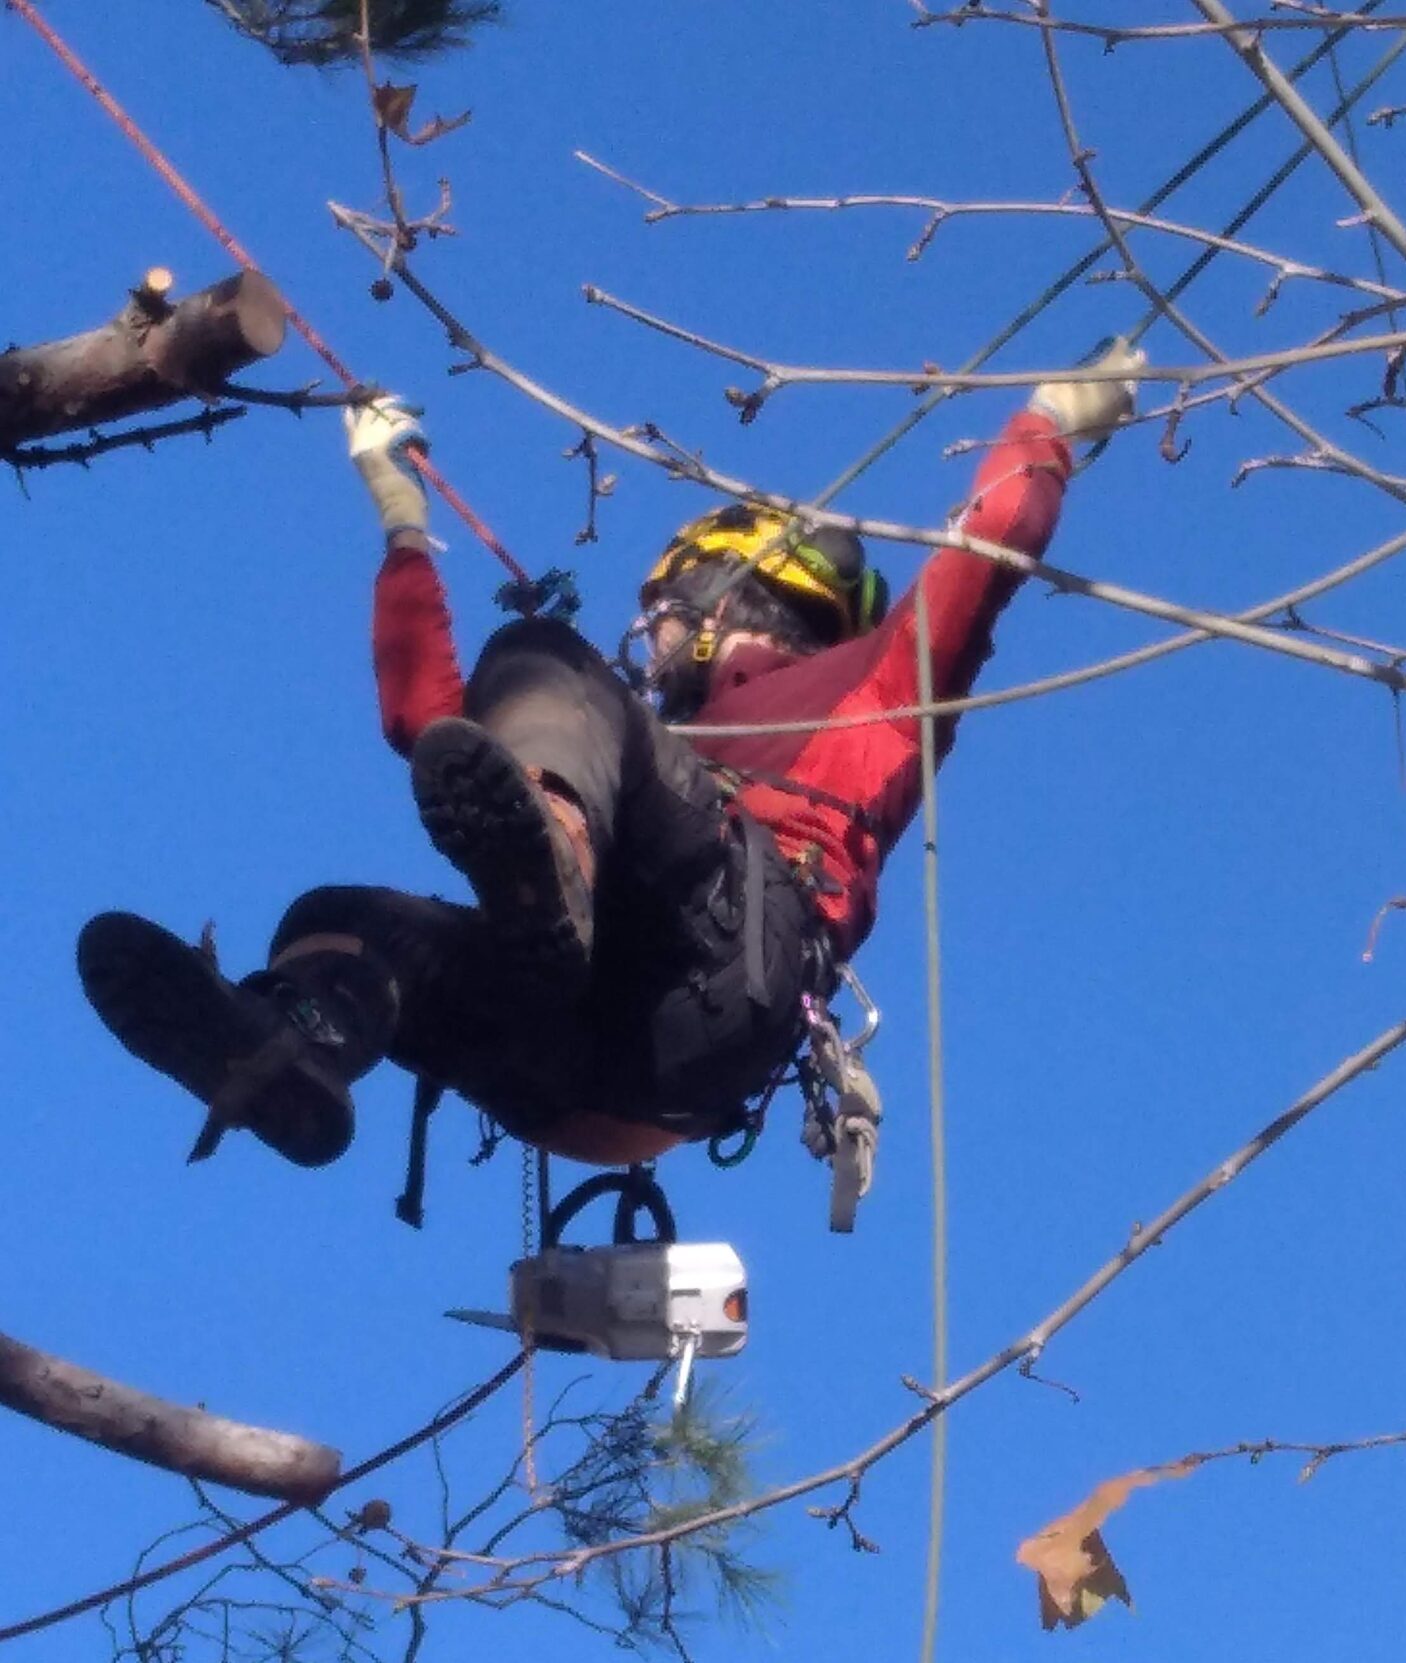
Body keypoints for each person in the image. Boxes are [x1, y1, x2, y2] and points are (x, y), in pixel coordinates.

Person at [77, 344, 1142, 1185]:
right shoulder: (644, 747)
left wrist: (1047, 419)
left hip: (726, 966)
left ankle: (547, 875)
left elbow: (986, 550)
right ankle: (290, 1047)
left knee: (544, 661)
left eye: (663, 609)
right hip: (599, 1085)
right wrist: (401, 520)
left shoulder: (876, 683)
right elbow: (430, 728)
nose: (648, 631)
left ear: (730, 593)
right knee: (337, 921)